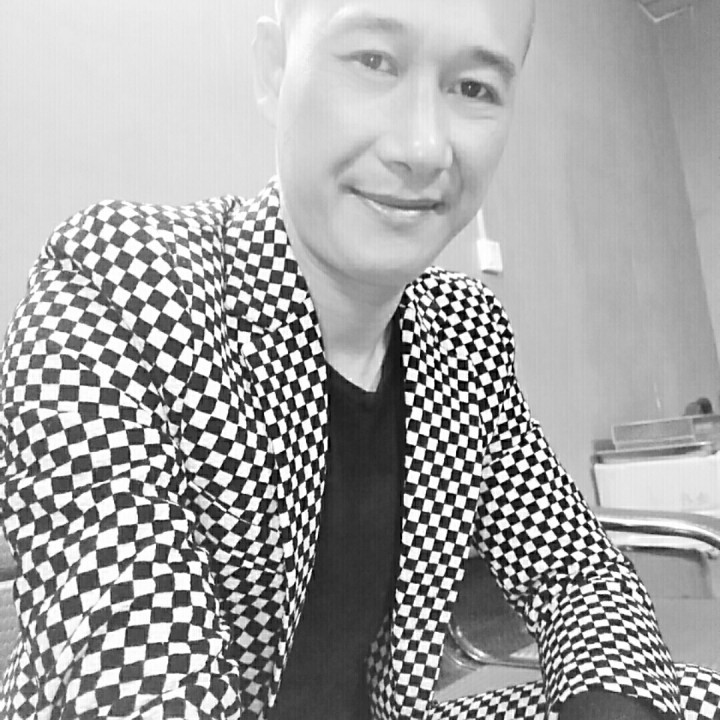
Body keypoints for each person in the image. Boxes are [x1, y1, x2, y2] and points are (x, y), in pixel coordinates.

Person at [0, 0, 718, 718]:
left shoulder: (462, 333)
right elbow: (133, 686)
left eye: (473, 87)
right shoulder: (116, 286)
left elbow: (576, 575)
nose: (424, 148)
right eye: (374, 61)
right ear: (274, 68)